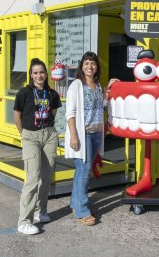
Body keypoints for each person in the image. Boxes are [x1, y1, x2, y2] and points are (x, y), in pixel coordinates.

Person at [65, 51, 118, 226]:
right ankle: (82, 211)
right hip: (83, 134)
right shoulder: (76, 85)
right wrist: (74, 135)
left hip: (96, 133)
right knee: (85, 171)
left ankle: (75, 203)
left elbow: (102, 106)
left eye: (93, 63)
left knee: (81, 171)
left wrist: (108, 89)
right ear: (82, 66)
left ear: (97, 67)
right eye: (87, 63)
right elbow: (70, 113)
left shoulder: (97, 84)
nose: (90, 66)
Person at [14, 58, 61, 235]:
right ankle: (24, 221)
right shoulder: (24, 93)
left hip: (49, 135)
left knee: (47, 176)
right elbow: (17, 116)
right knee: (32, 177)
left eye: (41, 72)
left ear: (46, 74)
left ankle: (40, 211)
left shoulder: (52, 94)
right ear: (31, 75)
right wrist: (25, 135)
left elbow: (53, 114)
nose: (38, 75)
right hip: (30, 136)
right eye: (35, 72)